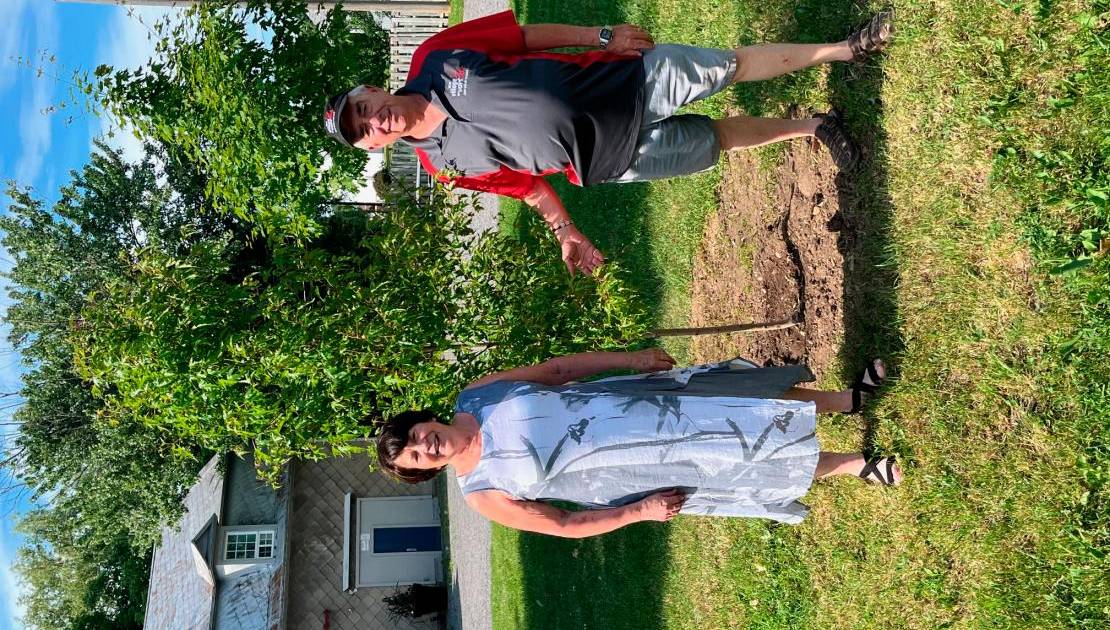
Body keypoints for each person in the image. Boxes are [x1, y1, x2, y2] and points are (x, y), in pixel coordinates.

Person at [323, 10, 894, 276]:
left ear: (373, 90)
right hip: (610, 159)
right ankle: (812, 127)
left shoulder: (434, 58)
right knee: (711, 141)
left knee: (729, 68)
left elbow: (518, 37)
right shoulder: (443, 163)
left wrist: (599, 36)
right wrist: (566, 231)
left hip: (615, 82)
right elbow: (525, 188)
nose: (371, 121)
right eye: (362, 131)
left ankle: (847, 48)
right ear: (372, 146)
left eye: (362, 109)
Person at [375, 349, 902, 538]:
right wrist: (639, 511)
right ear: (426, 471)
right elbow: (562, 524)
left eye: (416, 437)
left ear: (424, 421)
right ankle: (854, 465)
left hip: (637, 401)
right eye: (416, 457)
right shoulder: (482, 493)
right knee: (737, 458)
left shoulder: (478, 396)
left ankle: (846, 400)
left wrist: (630, 359)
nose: (426, 447)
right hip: (637, 469)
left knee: (737, 396)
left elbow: (558, 371)